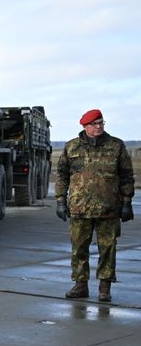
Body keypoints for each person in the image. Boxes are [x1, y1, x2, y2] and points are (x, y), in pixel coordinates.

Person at [54, 109, 134, 302]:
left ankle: (104, 288)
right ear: (85, 126)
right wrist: (60, 201)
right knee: (79, 248)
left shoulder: (116, 146)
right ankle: (80, 285)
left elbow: (126, 176)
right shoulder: (71, 147)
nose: (98, 127)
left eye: (101, 123)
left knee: (108, 248)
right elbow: (62, 176)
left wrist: (127, 202)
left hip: (109, 209)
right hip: (79, 208)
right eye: (94, 124)